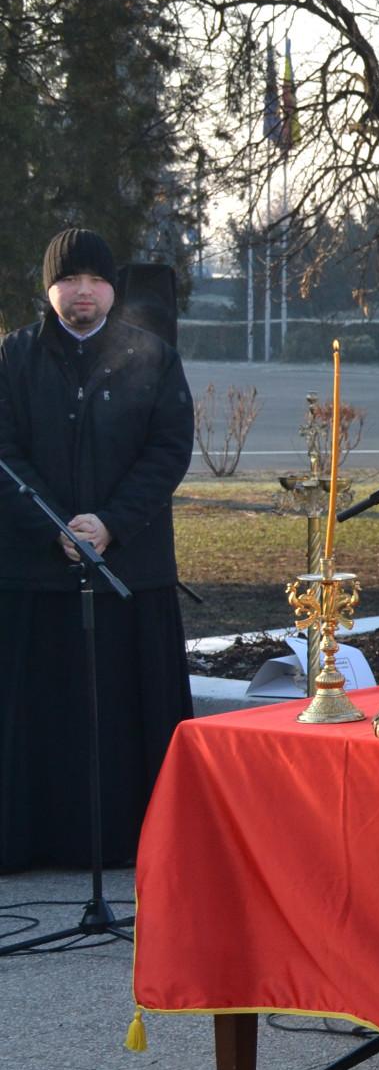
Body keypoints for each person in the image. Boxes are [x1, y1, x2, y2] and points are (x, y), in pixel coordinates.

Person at [0, 230, 194, 870]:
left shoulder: (153, 356)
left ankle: (134, 841)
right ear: (49, 287)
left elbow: (167, 450)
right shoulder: (14, 356)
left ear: (113, 288)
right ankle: (29, 842)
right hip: (34, 570)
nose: (81, 291)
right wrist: (50, 523)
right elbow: (5, 454)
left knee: (123, 715)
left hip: (128, 568)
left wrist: (109, 523)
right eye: (68, 278)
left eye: (94, 279)